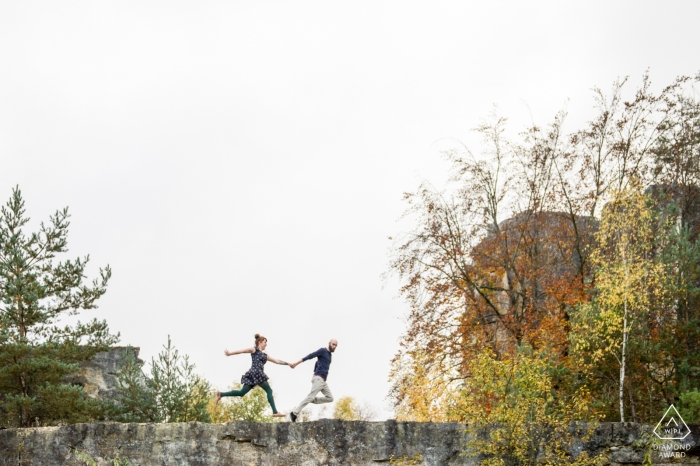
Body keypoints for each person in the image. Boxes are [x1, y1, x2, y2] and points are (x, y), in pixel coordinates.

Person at [216, 333, 289, 418]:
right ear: (260, 342)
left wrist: (289, 364)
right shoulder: (254, 349)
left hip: (253, 375)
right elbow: (242, 351)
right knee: (269, 391)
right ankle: (275, 412)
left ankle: (221, 394)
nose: (266, 344)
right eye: (265, 342)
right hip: (257, 373)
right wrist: (230, 353)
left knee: (241, 393)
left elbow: (277, 361)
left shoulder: (265, 355)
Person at [288, 339, 338, 422]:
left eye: (336, 345)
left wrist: (314, 374)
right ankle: (294, 413)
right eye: (333, 344)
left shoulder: (329, 355)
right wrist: (296, 364)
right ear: (329, 343)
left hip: (323, 381)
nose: (334, 346)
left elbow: (317, 363)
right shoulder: (322, 350)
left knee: (330, 398)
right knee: (311, 396)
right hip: (319, 379)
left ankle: (311, 399)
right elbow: (310, 356)